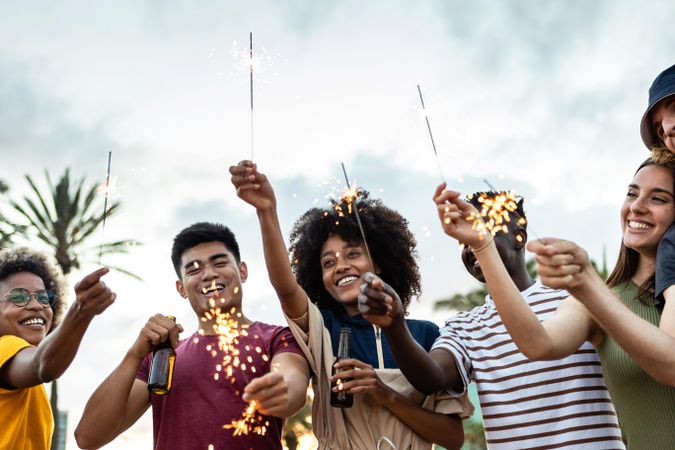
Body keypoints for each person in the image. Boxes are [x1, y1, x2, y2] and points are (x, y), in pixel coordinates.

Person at [431, 156, 675, 448]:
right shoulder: (599, 298)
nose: (636, 206)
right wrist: (483, 245)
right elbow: (538, 344)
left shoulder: (597, 294)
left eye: (658, 198)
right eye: (632, 193)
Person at [230, 160, 471, 450]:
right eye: (328, 262)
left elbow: (452, 438)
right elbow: (285, 289)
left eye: (353, 254)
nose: (341, 266)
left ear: (379, 263)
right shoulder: (323, 328)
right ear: (319, 278)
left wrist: (385, 395)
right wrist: (266, 211)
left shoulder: (426, 335)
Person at [358, 190, 625, 449]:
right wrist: (395, 325)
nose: (472, 244)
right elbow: (432, 377)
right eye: (464, 242)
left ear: (519, 237)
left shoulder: (574, 298)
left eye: (483, 231)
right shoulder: (465, 327)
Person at [75, 222, 310, 450]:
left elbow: (293, 385)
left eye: (219, 263)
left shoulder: (277, 338)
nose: (208, 274)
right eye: (194, 269)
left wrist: (282, 388)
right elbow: (88, 437)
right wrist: (134, 354)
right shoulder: (161, 359)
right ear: (181, 289)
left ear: (242, 271)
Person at [0, 247, 115, 449]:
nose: (37, 305)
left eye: (44, 298)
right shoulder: (5, 346)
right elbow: (42, 365)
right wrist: (80, 312)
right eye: (19, 297)